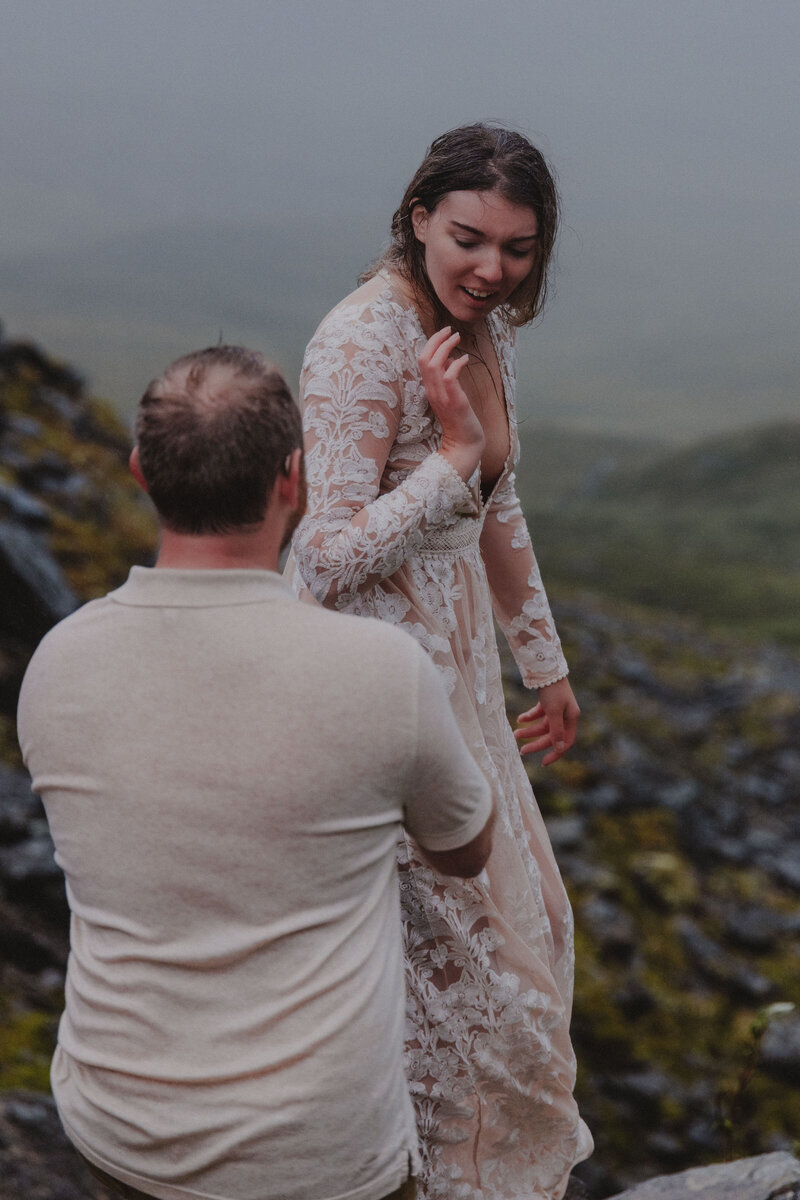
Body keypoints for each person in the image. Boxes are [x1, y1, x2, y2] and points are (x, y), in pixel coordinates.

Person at [17, 345, 495, 1200]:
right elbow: (465, 849)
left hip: (119, 1125)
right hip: (316, 1156)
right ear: (293, 480)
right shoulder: (379, 670)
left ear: (141, 474)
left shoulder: (56, 662)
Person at [287, 124, 593, 1199]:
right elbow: (318, 560)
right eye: (467, 238)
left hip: (458, 676)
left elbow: (494, 503)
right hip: (376, 690)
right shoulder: (360, 339)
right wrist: (450, 459)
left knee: (536, 938)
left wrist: (541, 665)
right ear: (417, 216)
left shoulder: (485, 328)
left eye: (516, 249)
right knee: (469, 978)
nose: (491, 269)